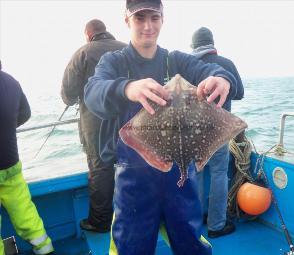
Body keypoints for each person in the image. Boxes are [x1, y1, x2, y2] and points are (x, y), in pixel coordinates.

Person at [84, 0, 239, 254]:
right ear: (126, 20)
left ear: (163, 19)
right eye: (139, 18)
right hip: (134, 182)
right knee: (131, 248)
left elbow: (210, 69)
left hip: (180, 178)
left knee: (191, 244)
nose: (148, 26)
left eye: (154, 18)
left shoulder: (175, 61)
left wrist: (221, 78)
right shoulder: (114, 62)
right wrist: (127, 88)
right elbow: (92, 92)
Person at [61, 19, 127, 233]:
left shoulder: (82, 53)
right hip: (130, 119)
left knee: (100, 168)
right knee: (135, 163)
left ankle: (100, 222)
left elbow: (68, 94)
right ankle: (142, 214)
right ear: (106, 32)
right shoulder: (126, 48)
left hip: (96, 123)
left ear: (88, 35)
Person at [191, 27, 244, 238]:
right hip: (219, 130)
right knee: (219, 174)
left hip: (193, 131)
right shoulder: (226, 63)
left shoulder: (188, 65)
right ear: (213, 44)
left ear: (193, 46)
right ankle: (216, 225)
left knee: (196, 174)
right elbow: (239, 93)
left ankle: (194, 222)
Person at [0, 61, 55, 255]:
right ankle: (45, 249)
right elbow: (25, 114)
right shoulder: (11, 82)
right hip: (11, 165)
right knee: (25, 213)